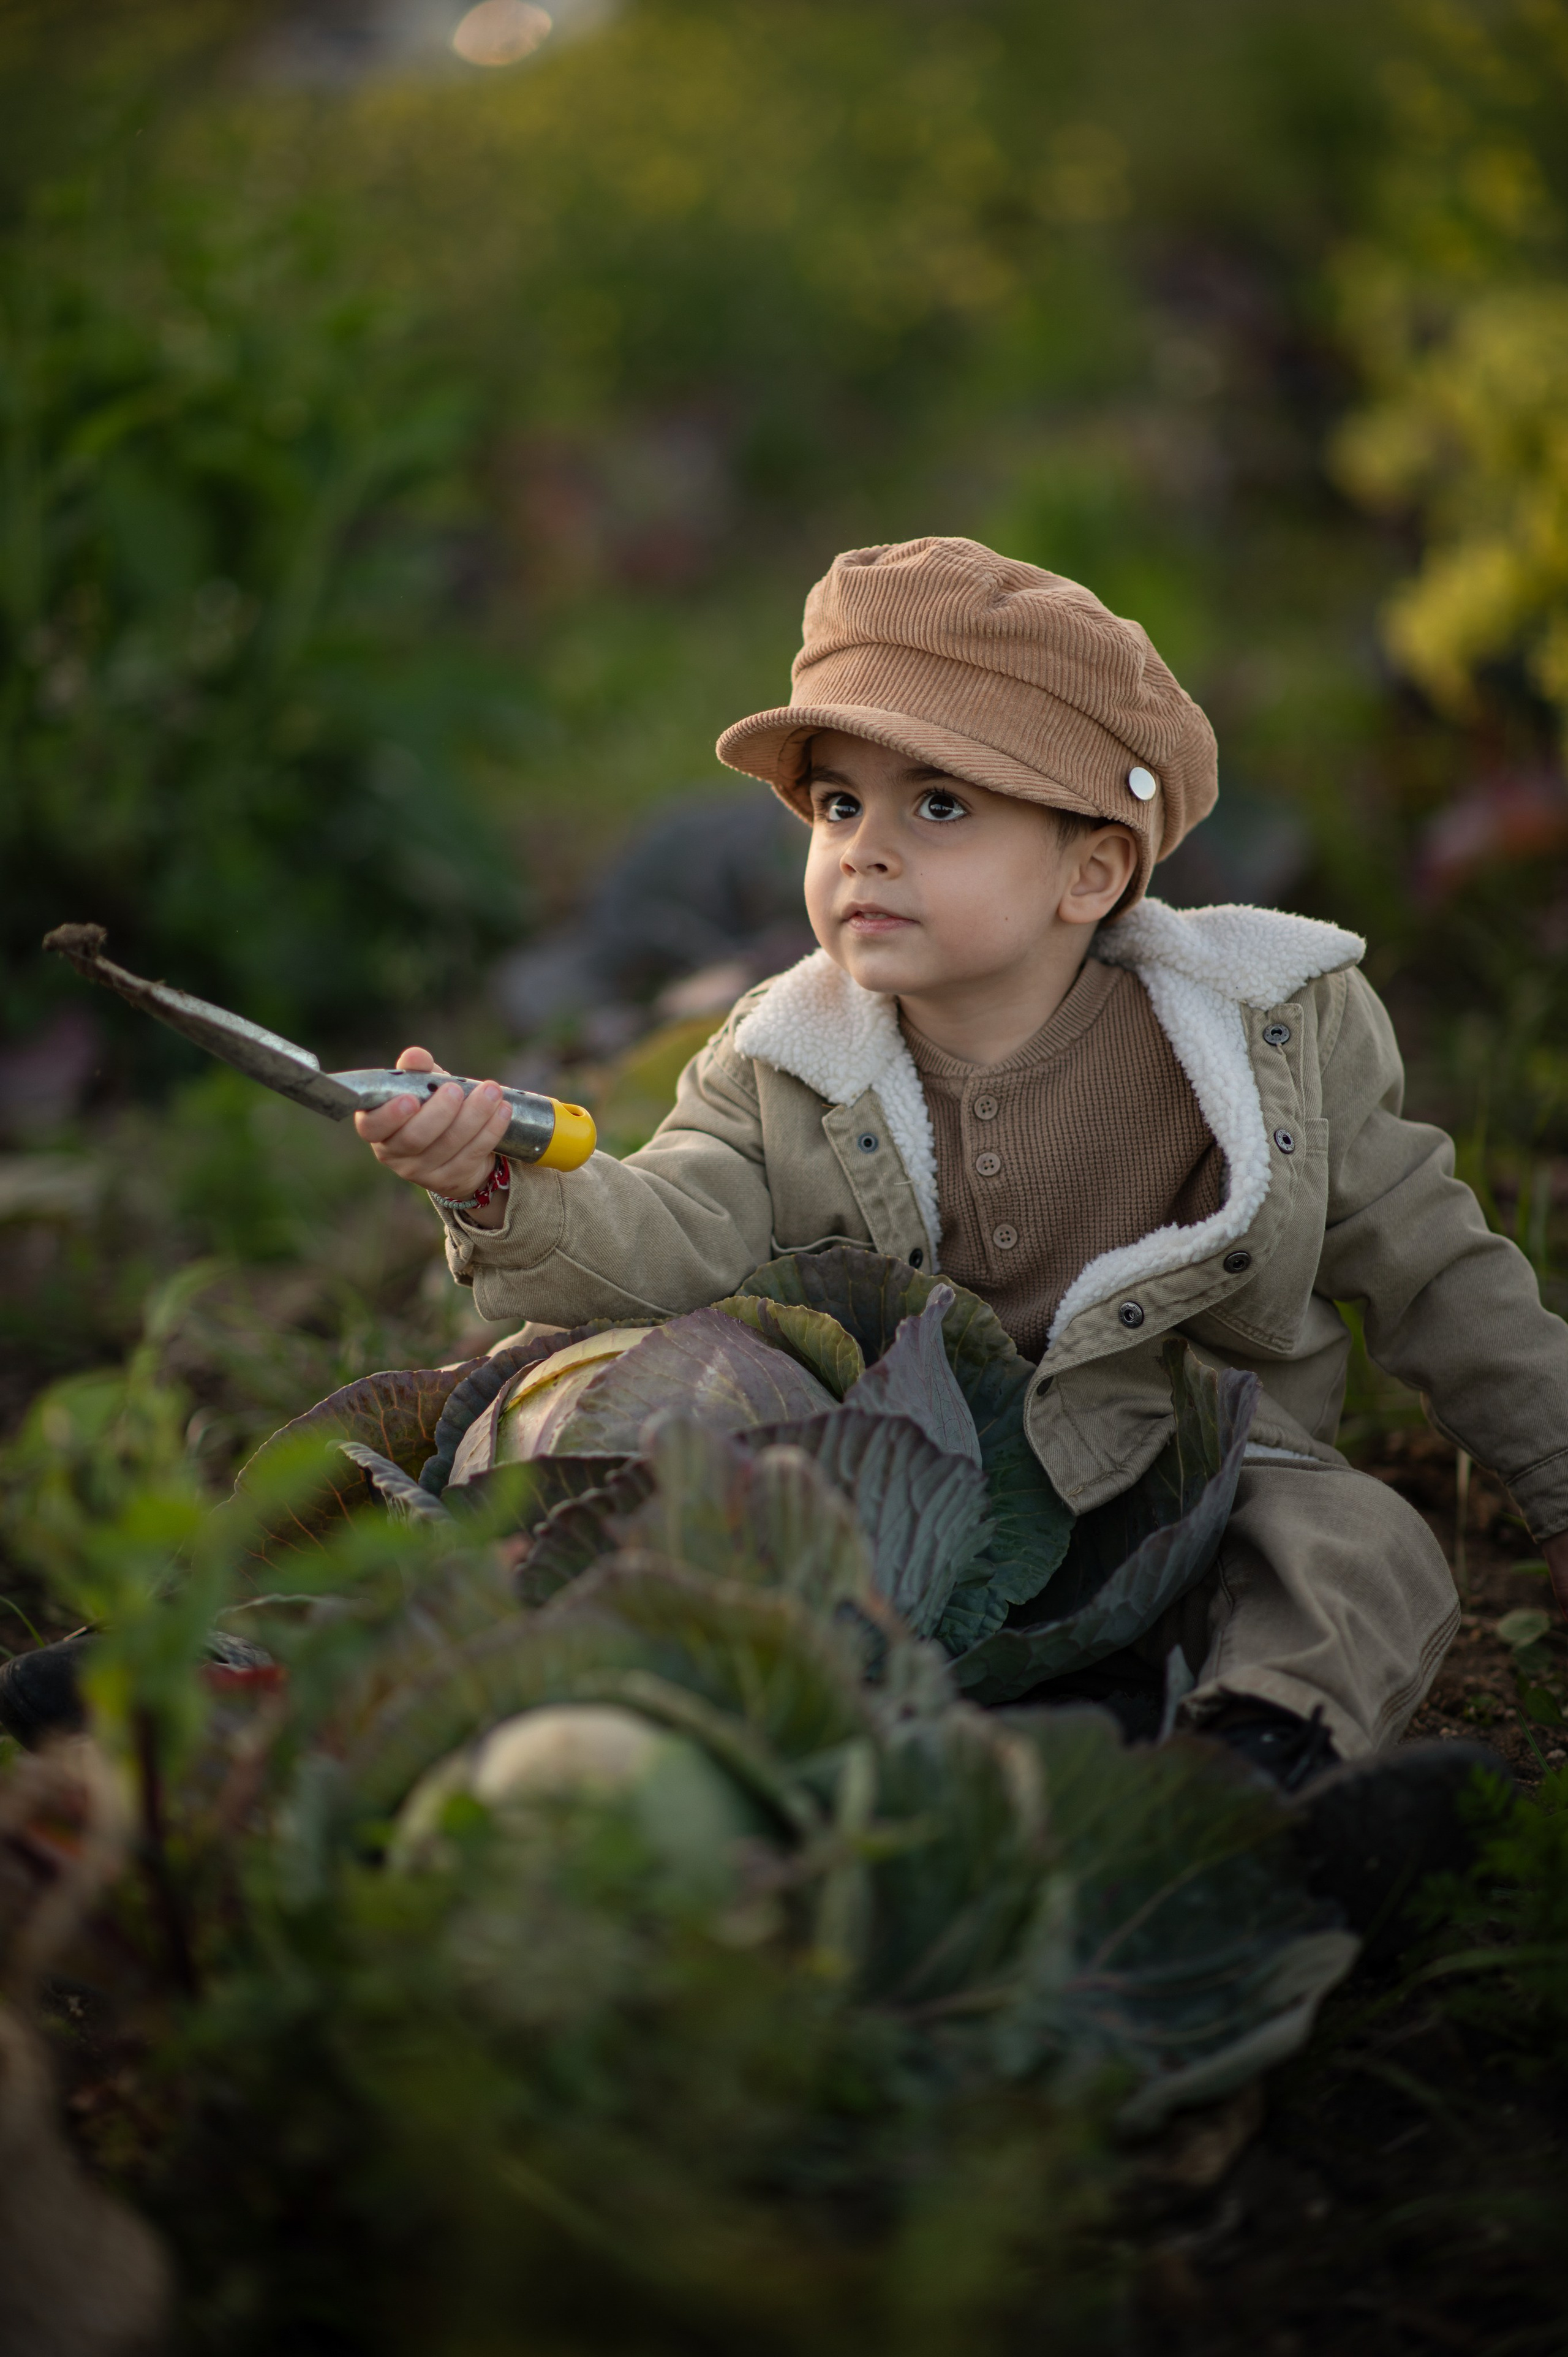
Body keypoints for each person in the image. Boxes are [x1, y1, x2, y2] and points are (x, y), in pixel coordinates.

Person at [356, 535, 1566, 1863]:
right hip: (911, 1514)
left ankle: (1254, 1778)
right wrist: (497, 1184)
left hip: (1187, 1485)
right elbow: (666, 1231)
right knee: (700, 1441)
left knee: (1358, 1543)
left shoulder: (1268, 1037)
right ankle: (755, 1747)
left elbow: (1438, 1270)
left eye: (936, 806)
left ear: (1090, 872)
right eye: (835, 807)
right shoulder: (782, 1061)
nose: (863, 850)